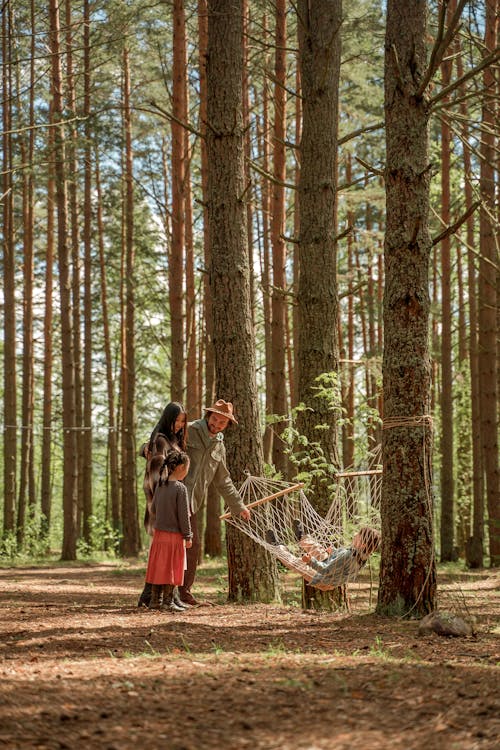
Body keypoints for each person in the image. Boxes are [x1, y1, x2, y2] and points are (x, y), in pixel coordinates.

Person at [179, 399, 251, 606]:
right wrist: (146, 448)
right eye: (215, 419)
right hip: (172, 496)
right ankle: (158, 592)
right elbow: (162, 444)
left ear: (227, 426)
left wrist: (239, 506)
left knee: (191, 547)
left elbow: (223, 480)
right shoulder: (189, 429)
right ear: (208, 416)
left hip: (191, 502)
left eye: (222, 423)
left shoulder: (219, 445)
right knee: (170, 544)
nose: (217, 425)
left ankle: (183, 593)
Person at [138, 402, 188, 608]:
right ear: (168, 419)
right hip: (162, 503)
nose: (179, 424)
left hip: (170, 501)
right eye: (177, 420)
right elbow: (157, 476)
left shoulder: (173, 440)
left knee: (167, 553)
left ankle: (156, 596)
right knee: (164, 554)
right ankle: (157, 597)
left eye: (183, 421)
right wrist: (164, 505)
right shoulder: (160, 441)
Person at [145, 450, 193, 611]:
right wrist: (188, 535)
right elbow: (183, 516)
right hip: (174, 535)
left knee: (159, 566)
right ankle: (168, 601)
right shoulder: (180, 489)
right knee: (173, 567)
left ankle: (155, 600)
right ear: (180, 467)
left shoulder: (160, 485)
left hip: (159, 535)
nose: (187, 471)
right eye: (187, 468)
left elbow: (154, 508)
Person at [265, 524, 381, 588]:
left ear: (363, 544)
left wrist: (310, 561)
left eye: (359, 535)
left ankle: (278, 548)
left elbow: (325, 570)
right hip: (332, 577)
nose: (355, 535)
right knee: (319, 550)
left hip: (324, 580)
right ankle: (302, 538)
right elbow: (341, 565)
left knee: (297, 563)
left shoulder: (349, 555)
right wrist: (334, 552)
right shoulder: (362, 556)